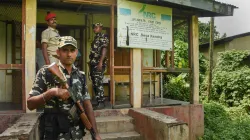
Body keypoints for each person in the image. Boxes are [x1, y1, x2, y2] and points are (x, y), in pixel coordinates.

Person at [27, 36, 101, 140]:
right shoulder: (46, 72)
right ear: (58, 52)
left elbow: (87, 104)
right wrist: (52, 92)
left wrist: (95, 133)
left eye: (72, 50)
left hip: (76, 135)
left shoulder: (81, 76)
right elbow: (30, 104)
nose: (69, 54)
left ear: (76, 52)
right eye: (65, 50)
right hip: (53, 134)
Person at [89, 23, 109, 109]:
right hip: (93, 63)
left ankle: (101, 102)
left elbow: (104, 50)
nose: (94, 29)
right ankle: (98, 101)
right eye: (93, 28)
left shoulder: (103, 37)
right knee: (94, 83)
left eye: (96, 27)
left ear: (101, 28)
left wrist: (100, 62)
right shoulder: (96, 38)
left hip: (98, 64)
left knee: (98, 83)